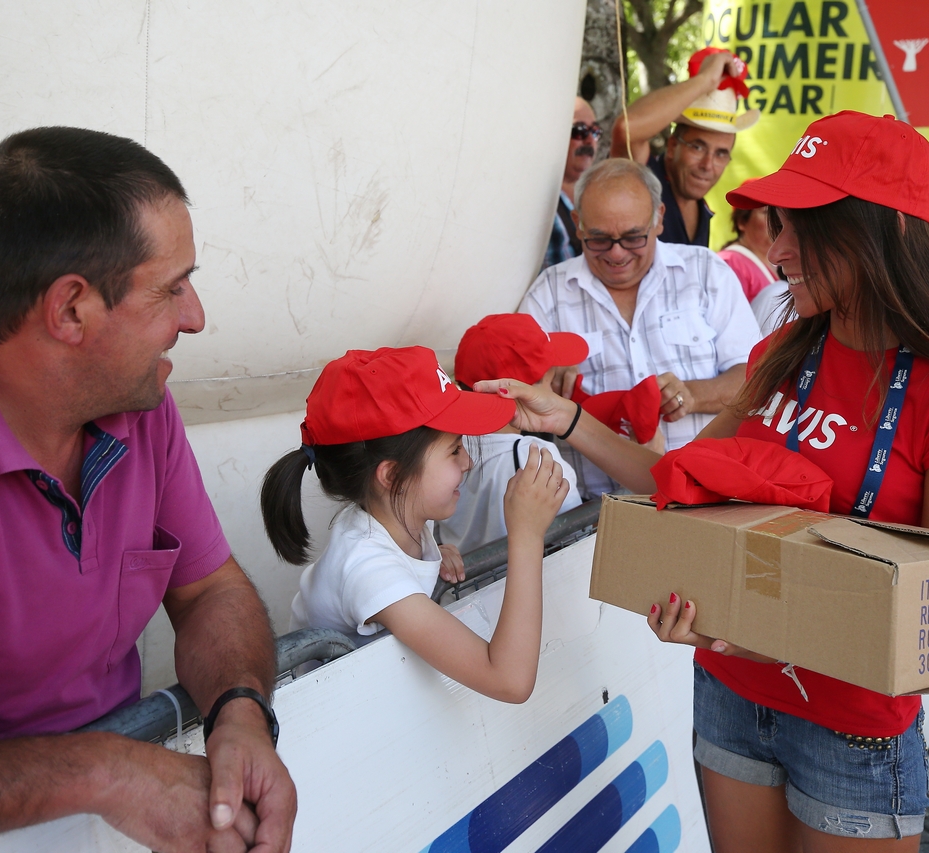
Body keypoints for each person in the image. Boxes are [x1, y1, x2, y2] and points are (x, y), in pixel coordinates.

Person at [484, 111, 929, 850]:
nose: (780, 249)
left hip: (851, 728)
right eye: (779, 224)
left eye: (804, 229)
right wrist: (565, 419)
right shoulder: (784, 352)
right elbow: (677, 477)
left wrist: (756, 635)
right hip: (731, 696)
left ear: (881, 234)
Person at [0, 127, 296, 851]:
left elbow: (209, 591)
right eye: (171, 288)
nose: (195, 317)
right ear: (71, 309)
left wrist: (240, 712)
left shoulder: (139, 403)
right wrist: (102, 773)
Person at [261, 346, 570, 704]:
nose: (467, 462)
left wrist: (428, 558)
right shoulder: (368, 569)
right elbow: (509, 681)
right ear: (393, 476)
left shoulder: (396, 520)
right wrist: (527, 535)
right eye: (454, 450)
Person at [519, 157, 760, 498]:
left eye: (633, 237)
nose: (617, 254)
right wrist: (545, 378)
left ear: (658, 218)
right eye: (599, 239)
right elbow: (517, 399)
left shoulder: (706, 273)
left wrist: (692, 395)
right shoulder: (549, 294)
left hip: (711, 498)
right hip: (595, 514)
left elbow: (756, 381)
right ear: (578, 224)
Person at [438, 314, 585, 554]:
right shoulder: (537, 455)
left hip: (463, 575)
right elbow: (577, 537)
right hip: (530, 574)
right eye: (548, 380)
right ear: (528, 391)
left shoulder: (442, 447)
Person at [611, 48, 759, 247]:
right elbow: (626, 129)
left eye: (721, 154)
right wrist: (705, 80)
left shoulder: (702, 210)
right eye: (697, 147)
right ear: (673, 146)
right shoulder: (642, 178)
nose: (707, 165)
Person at [544, 97, 600, 270]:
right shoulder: (535, 200)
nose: (589, 140)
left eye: (595, 131)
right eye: (579, 130)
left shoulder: (601, 197)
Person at [717, 203, 777, 302]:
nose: (777, 221)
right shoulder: (730, 263)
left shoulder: (777, 262)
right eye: (767, 213)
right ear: (742, 222)